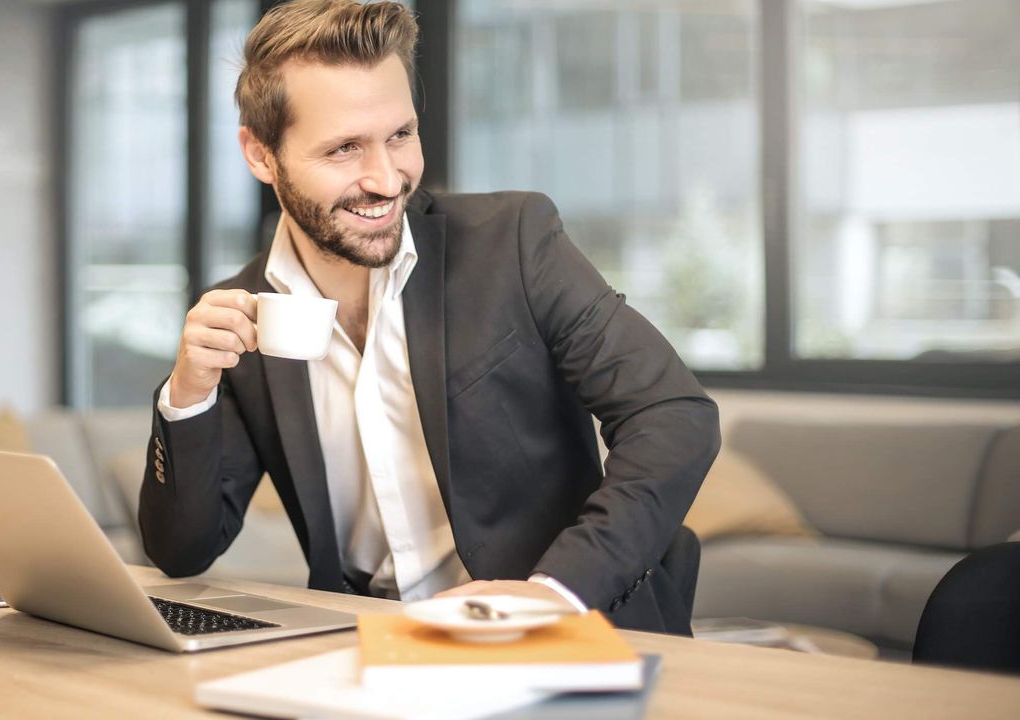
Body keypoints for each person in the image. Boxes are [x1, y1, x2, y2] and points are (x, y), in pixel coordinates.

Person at [139, 0, 719, 634]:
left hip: (561, 634)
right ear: (261, 155)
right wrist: (188, 395)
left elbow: (673, 415)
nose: (387, 178)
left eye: (400, 135)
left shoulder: (513, 242)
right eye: (344, 149)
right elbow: (182, 551)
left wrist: (556, 591)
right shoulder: (244, 313)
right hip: (368, 645)